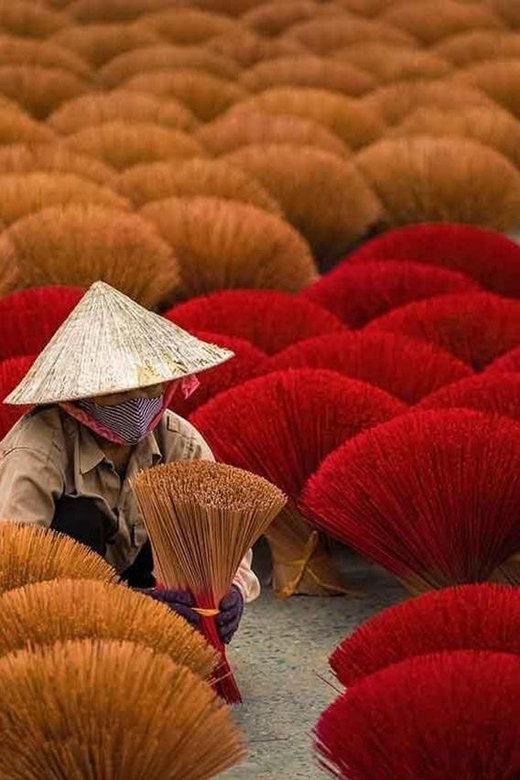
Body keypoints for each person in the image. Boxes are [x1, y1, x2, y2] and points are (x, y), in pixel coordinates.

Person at [0, 281, 259, 644]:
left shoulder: (179, 442)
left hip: (149, 583)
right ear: (81, 393)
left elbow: (223, 533)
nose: (137, 402)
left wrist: (229, 590)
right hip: (62, 606)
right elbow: (15, 570)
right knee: (80, 518)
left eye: (148, 385)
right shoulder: (37, 450)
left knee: (189, 532)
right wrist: (130, 606)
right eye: (119, 390)